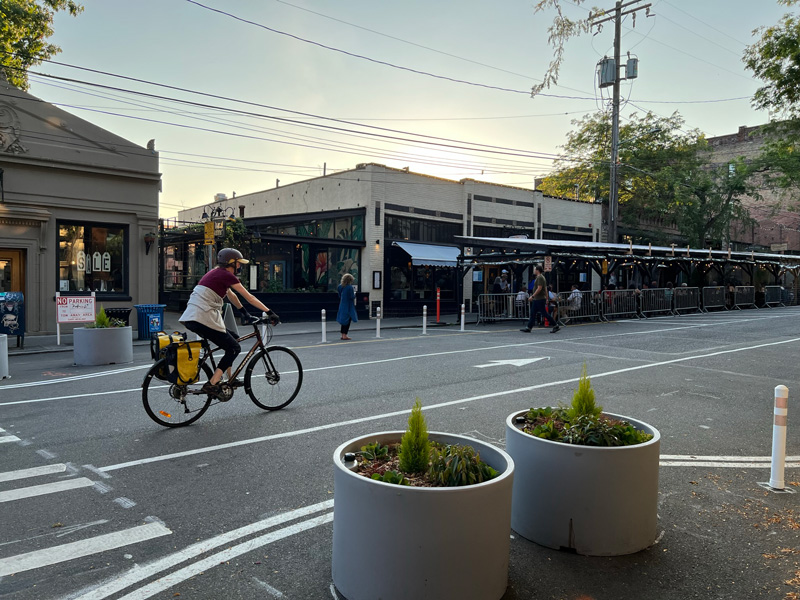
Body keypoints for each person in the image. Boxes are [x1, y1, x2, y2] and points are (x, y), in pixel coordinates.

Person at [180, 248, 277, 398]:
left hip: (194, 317)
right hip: (203, 317)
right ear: (231, 262)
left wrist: (245, 313)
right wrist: (270, 312)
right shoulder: (226, 275)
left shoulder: (215, 273)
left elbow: (231, 296)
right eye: (238, 263)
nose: (240, 267)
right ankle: (213, 384)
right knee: (234, 348)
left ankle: (230, 378)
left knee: (233, 338)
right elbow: (249, 297)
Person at [521, 265, 559, 333]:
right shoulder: (540, 277)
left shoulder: (540, 278)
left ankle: (555, 325)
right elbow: (545, 289)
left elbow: (539, 288)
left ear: (537, 270)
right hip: (538, 298)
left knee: (544, 313)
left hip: (539, 298)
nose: (534, 270)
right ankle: (529, 327)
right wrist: (546, 298)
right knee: (533, 313)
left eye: (535, 269)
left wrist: (532, 296)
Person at [337, 273, 358, 340]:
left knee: (343, 319)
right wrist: (355, 295)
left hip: (342, 304)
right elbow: (352, 297)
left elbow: (339, 295)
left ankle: (342, 334)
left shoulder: (340, 286)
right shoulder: (349, 287)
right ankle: (345, 334)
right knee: (348, 319)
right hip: (348, 305)